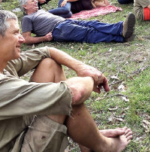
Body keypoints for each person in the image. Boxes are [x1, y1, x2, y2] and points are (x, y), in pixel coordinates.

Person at [0, 10, 133, 152]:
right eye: (15, 33)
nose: (22, 39)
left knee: (49, 64)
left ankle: (87, 141)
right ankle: (104, 147)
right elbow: (74, 93)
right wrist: (91, 78)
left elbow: (47, 51)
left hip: (19, 128)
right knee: (63, 97)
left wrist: (81, 67)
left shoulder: (5, 63)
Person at [20, 0, 135, 44]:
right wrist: (44, 38)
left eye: (35, 1)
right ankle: (120, 37)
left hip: (64, 22)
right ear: (25, 6)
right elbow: (27, 39)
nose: (36, 2)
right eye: (32, 1)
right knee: (88, 33)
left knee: (92, 23)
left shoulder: (40, 11)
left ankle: (120, 28)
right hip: (58, 30)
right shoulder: (27, 18)